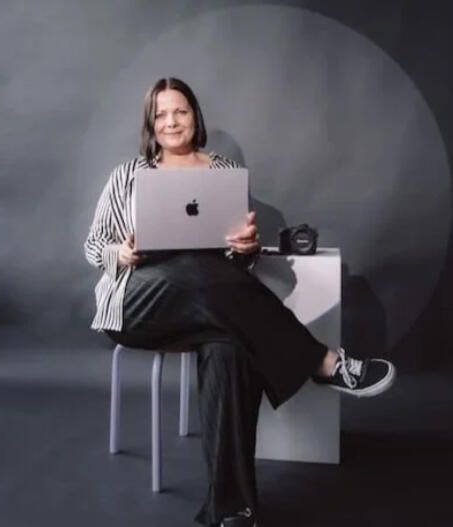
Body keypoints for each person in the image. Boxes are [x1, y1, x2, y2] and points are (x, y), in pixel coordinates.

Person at [84, 77, 396, 527]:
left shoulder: (224, 172)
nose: (171, 121)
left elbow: (234, 263)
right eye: (160, 114)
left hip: (212, 306)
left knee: (228, 347)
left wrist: (246, 248)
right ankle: (321, 361)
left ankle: (233, 508)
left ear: (195, 116)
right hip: (140, 302)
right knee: (193, 270)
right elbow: (95, 246)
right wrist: (122, 253)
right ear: (150, 124)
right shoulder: (128, 175)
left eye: (180, 111)